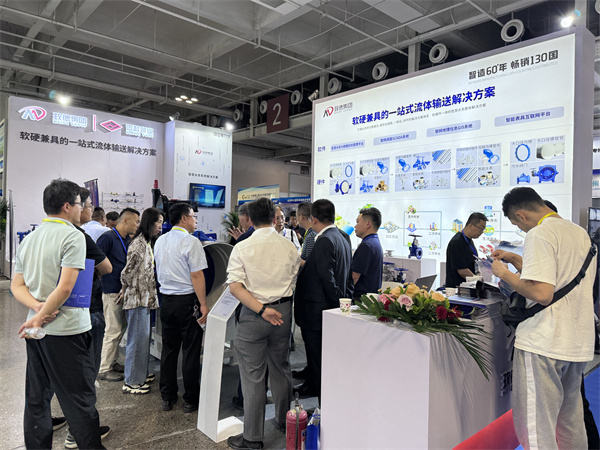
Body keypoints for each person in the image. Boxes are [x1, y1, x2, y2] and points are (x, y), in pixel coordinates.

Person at [491, 187, 597, 449]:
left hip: (544, 342)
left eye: (517, 224)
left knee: (537, 426)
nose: (521, 229)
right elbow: (560, 277)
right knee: (570, 420)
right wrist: (518, 261)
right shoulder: (579, 233)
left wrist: (504, 274)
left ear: (521, 215)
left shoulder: (539, 233)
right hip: (576, 342)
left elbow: (542, 293)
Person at [11, 179, 106, 449]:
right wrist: (43, 314)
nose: (81, 209)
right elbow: (65, 288)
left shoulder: (31, 238)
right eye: (79, 204)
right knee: (79, 400)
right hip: (67, 331)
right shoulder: (72, 236)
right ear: (67, 206)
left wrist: (37, 309)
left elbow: (17, 286)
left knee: (37, 398)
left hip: (35, 331)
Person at [226, 197, 301, 450]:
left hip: (254, 313)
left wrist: (261, 309)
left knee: (253, 376)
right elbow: (295, 274)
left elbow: (235, 287)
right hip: (283, 311)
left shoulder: (242, 247)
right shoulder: (289, 245)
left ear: (249, 219)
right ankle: (284, 421)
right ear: (273, 217)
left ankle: (252, 438)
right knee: (281, 367)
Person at [154, 203, 209, 413]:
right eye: (194, 216)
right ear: (184, 218)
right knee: (191, 351)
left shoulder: (160, 240)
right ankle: (190, 400)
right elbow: (197, 275)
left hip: (166, 301)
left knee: (169, 350)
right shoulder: (191, 242)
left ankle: (167, 397)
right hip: (187, 302)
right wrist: (203, 304)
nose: (196, 221)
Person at [294, 199, 352, 399]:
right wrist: (345, 301)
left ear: (314, 219)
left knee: (318, 361)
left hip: (318, 313)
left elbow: (327, 278)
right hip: (328, 310)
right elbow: (347, 276)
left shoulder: (324, 240)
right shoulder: (343, 237)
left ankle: (322, 406)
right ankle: (318, 395)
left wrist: (337, 302)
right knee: (321, 360)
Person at [120, 208, 164, 395]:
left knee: (143, 339)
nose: (160, 226)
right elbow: (127, 272)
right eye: (158, 222)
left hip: (144, 299)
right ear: (149, 222)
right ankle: (132, 381)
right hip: (137, 299)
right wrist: (124, 289)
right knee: (137, 340)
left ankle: (140, 374)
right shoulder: (138, 244)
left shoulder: (145, 242)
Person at [97, 208, 140, 382]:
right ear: (125, 220)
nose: (138, 225)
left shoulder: (126, 240)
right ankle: (104, 368)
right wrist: (106, 281)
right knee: (112, 330)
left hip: (123, 291)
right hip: (111, 291)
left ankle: (113, 362)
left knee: (120, 329)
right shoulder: (107, 238)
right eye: (136, 221)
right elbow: (96, 262)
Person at [445, 212, 487, 288]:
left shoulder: (469, 240)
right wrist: (478, 280)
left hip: (468, 286)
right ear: (470, 226)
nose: (482, 232)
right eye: (481, 228)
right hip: (457, 288)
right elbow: (462, 270)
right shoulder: (457, 242)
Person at [351, 207, 383, 300]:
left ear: (368, 224)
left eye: (358, 222)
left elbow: (354, 277)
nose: (355, 226)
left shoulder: (367, 246)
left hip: (361, 300)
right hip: (371, 298)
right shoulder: (375, 242)